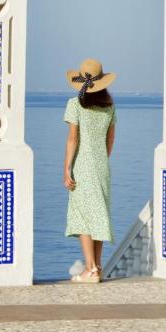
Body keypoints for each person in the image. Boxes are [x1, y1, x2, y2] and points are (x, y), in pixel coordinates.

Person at [63, 58, 118, 284]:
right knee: (98, 215)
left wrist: (67, 169)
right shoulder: (110, 107)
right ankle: (97, 267)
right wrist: (101, 159)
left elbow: (72, 139)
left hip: (82, 166)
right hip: (102, 165)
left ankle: (90, 268)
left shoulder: (75, 104)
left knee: (83, 216)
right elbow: (110, 139)